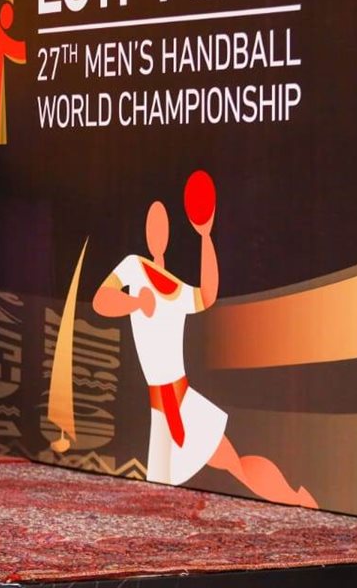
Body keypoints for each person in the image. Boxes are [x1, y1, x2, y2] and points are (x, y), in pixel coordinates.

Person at [92, 194, 315, 507]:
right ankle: (295, 499)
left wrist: (206, 235)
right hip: (161, 406)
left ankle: (295, 498)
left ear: (169, 234)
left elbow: (208, 294)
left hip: (179, 400)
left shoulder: (177, 290)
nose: (156, 231)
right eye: (152, 223)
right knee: (166, 484)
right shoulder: (134, 267)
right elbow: (102, 300)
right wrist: (135, 301)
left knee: (232, 463)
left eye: (162, 225)